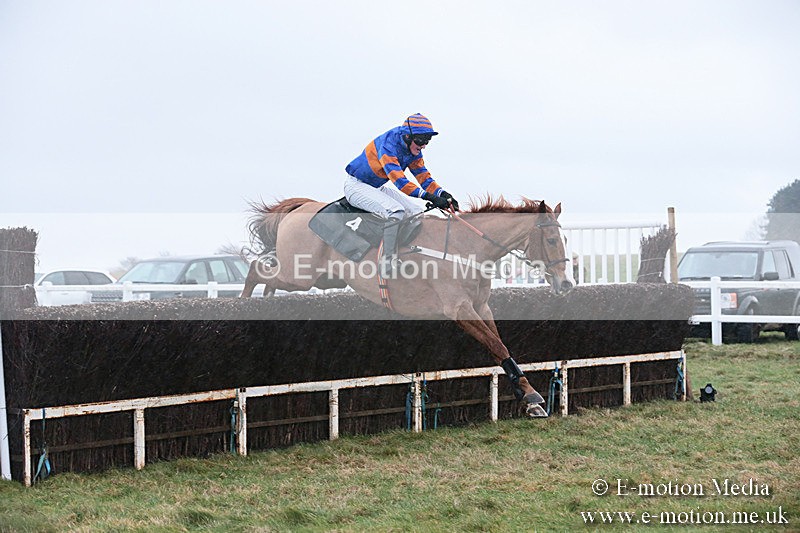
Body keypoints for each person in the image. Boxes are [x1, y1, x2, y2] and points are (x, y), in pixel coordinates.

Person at [344, 113, 459, 275]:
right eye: (421, 140)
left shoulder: (413, 150)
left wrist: (443, 194)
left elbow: (423, 177)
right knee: (396, 211)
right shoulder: (388, 146)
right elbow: (400, 182)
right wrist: (431, 197)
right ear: (407, 136)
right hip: (356, 186)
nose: (424, 145)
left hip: (376, 187)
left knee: (416, 212)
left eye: (427, 140)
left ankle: (404, 253)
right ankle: (387, 261)